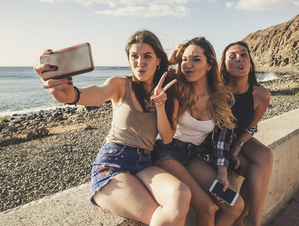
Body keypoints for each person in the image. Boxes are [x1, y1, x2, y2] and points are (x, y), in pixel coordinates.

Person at [34, 30, 191, 226]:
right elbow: (94, 94)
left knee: (182, 194)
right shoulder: (120, 85)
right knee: (158, 216)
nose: (139, 62)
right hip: (112, 164)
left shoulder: (170, 96)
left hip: (144, 163)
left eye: (147, 56)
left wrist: (160, 105)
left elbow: (167, 138)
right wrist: (67, 93)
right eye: (134, 56)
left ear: (159, 60)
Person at [152, 37, 244, 226]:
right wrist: (170, 63)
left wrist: (222, 171)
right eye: (184, 60)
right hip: (167, 152)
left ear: (210, 65)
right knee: (207, 208)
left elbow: (221, 140)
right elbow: (149, 76)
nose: (188, 65)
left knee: (236, 206)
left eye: (196, 59)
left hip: (193, 155)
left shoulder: (222, 98)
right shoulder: (175, 88)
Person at [211, 41, 273, 226]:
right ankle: (246, 220)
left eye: (244, 55)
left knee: (266, 155)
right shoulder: (218, 92)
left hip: (238, 139)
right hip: (217, 141)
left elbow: (250, 128)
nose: (240, 59)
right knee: (255, 170)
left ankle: (253, 218)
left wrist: (237, 150)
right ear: (225, 66)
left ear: (251, 63)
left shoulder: (261, 95)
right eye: (233, 57)